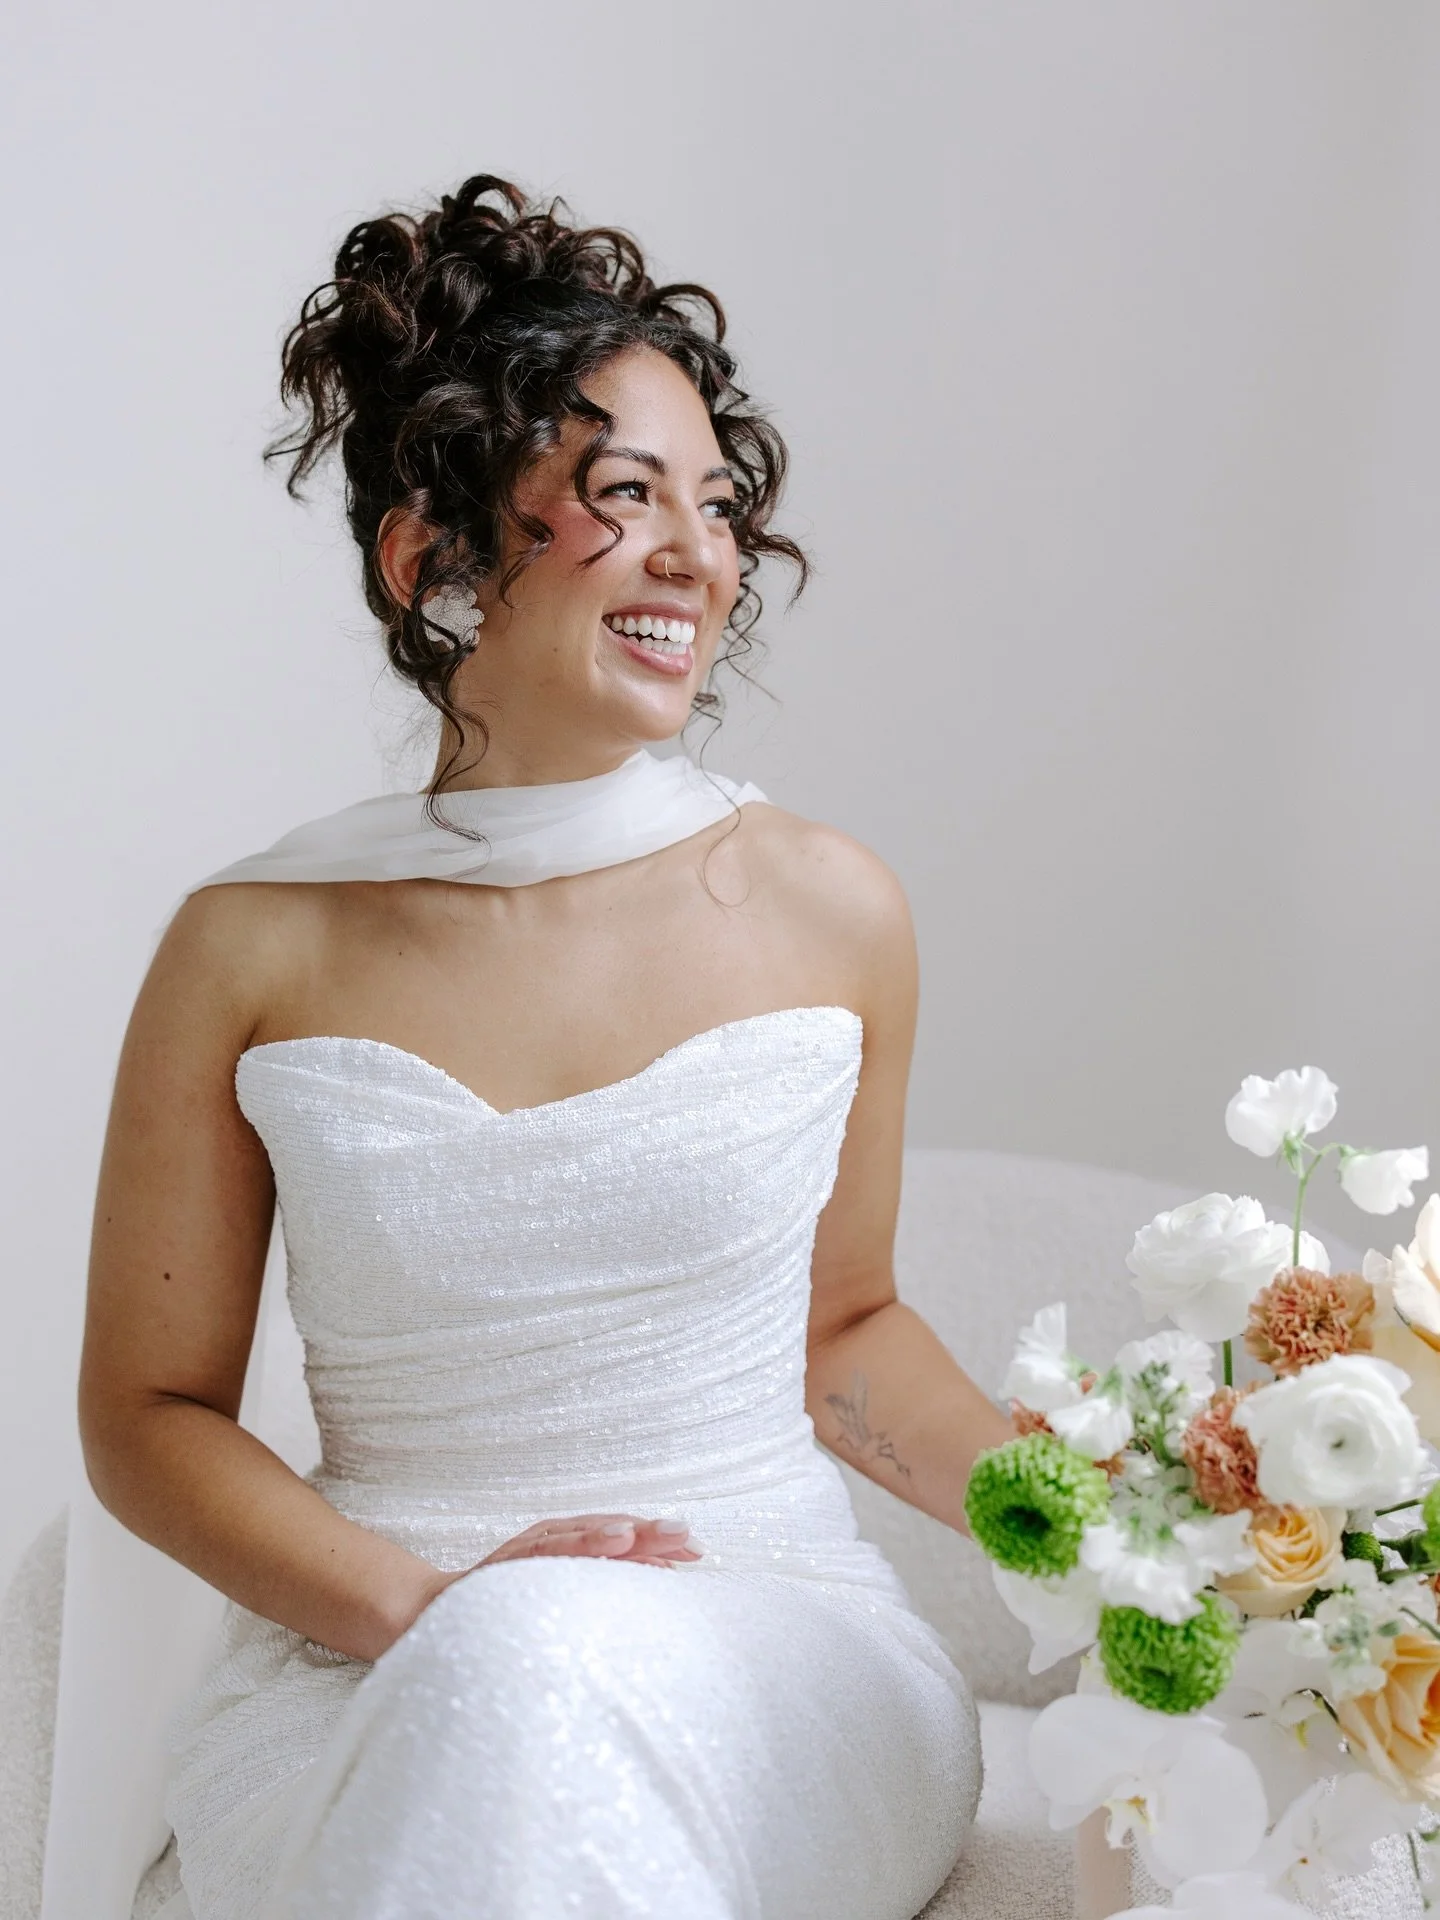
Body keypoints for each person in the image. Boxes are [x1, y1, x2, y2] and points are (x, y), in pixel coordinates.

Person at [77, 173, 1009, 1920]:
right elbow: (147, 1414)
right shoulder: (248, 947)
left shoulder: (831, 907)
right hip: (373, 1657)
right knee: (513, 1685)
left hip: (779, 1654)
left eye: (715, 507)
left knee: (540, 1672)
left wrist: (1100, 1520)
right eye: (625, 497)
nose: (698, 554)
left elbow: (847, 1329)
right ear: (430, 557)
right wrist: (425, 1612)